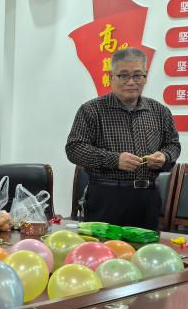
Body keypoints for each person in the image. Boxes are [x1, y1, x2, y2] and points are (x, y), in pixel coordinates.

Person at [65, 46, 181, 229]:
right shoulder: (92, 110)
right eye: (124, 75)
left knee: (146, 246)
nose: (131, 82)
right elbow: (74, 149)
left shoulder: (160, 111)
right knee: (103, 247)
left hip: (147, 199)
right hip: (106, 197)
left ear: (145, 77)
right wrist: (115, 159)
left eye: (137, 75)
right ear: (111, 76)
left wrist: (164, 157)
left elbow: (173, 145)